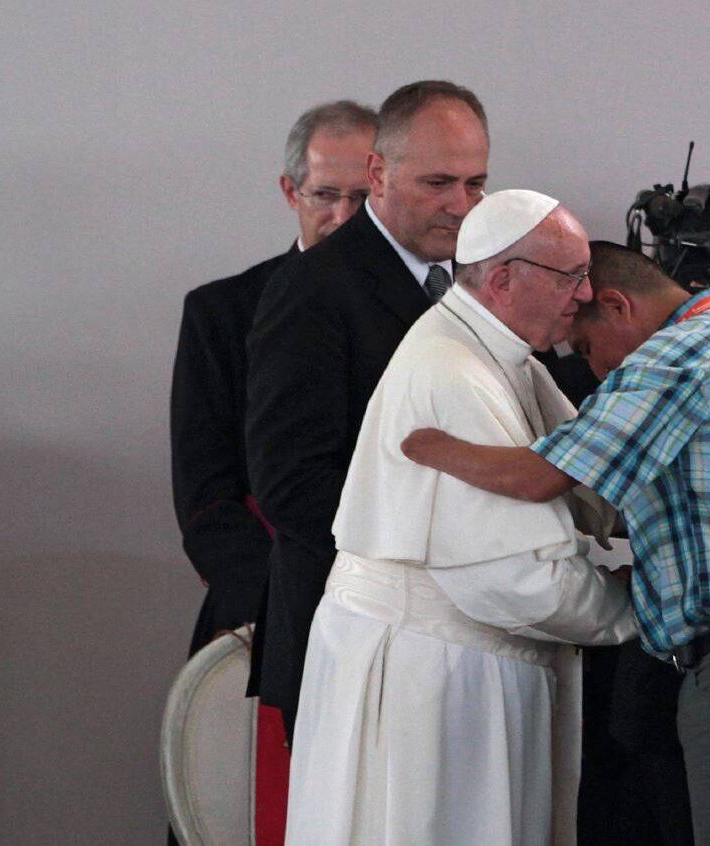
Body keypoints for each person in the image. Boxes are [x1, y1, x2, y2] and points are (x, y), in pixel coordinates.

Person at [402, 241, 710, 846]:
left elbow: (540, 477)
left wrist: (428, 446)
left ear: (615, 305)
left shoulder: (678, 356)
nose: (595, 372)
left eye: (585, 348)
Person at [285, 190, 637, 846]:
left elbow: (590, 484)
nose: (587, 295)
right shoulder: (450, 370)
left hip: (468, 667)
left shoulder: (501, 356)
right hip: (435, 674)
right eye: (572, 276)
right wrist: (641, 613)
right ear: (504, 278)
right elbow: (516, 576)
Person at [244, 80, 489, 738]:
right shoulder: (312, 287)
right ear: (378, 172)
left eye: (475, 184)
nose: (460, 205)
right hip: (350, 640)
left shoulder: (479, 281)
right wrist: (456, 540)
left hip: (457, 643)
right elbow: (291, 484)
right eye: (439, 182)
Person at [170, 99, 375, 657]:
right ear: (291, 193)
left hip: (397, 606)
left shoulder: (431, 308)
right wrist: (286, 589)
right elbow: (205, 495)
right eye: (326, 195)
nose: (345, 217)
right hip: (268, 604)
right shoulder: (221, 313)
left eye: (362, 198)